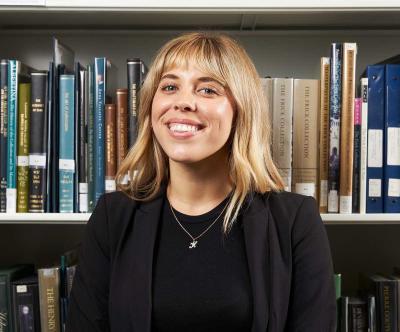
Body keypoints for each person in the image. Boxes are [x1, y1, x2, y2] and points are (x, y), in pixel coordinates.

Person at [66, 32, 336, 332]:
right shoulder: (112, 217)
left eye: (207, 90)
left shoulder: (295, 220)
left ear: (240, 111)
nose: (183, 102)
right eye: (169, 86)